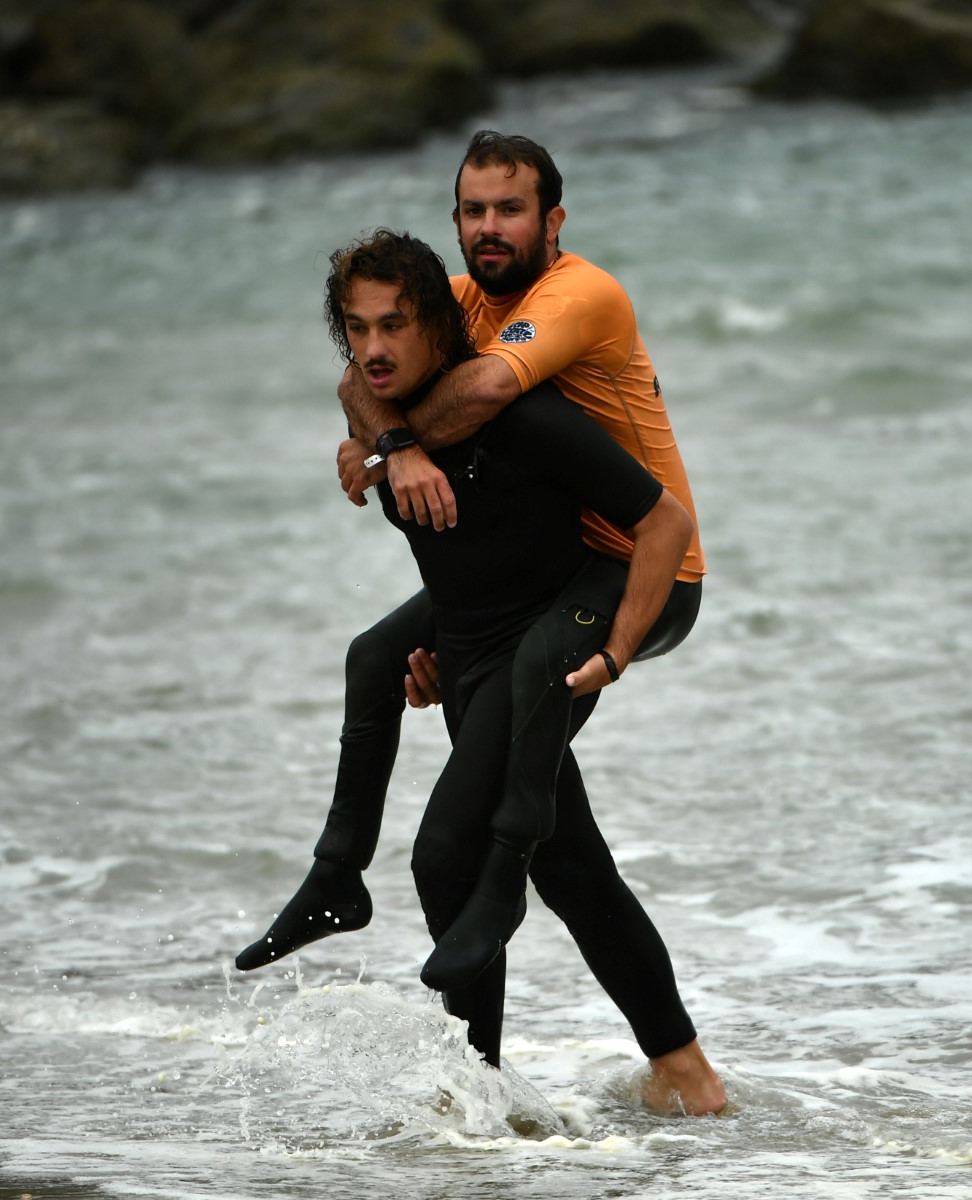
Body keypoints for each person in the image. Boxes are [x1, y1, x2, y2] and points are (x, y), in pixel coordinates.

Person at [238, 132, 706, 996]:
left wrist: (391, 443)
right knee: (381, 661)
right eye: (473, 210)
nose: (489, 226)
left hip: (642, 566)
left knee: (481, 822)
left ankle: (491, 965)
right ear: (455, 220)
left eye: (511, 209)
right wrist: (391, 444)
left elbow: (485, 393)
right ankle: (338, 874)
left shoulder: (580, 293)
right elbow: (362, 374)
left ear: (552, 219)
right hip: (544, 571)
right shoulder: (458, 300)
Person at [293, 227, 726, 1113]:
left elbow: (659, 523)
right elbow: (472, 546)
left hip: (609, 592)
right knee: (567, 859)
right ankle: (680, 1074)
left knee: (449, 849)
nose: (375, 346)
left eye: (395, 326)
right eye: (358, 328)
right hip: (503, 620)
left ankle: (476, 1087)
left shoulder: (525, 381)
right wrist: (390, 449)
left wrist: (609, 655)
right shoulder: (408, 373)